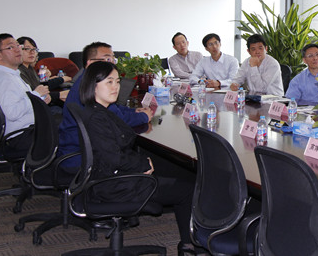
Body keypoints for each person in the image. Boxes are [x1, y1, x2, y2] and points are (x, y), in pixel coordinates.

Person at [78, 61, 194, 255]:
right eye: (109, 82)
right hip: (113, 185)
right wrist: (142, 164)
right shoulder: (97, 118)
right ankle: (188, 245)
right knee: (187, 189)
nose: (115, 87)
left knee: (179, 171)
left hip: (105, 176)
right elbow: (114, 158)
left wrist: (143, 162)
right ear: (93, 86)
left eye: (117, 81)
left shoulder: (96, 110)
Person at [58, 42, 152, 171]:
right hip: (83, 160)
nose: (112, 63)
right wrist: (143, 117)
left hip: (80, 151)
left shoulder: (88, 84)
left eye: (113, 59)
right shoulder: (93, 95)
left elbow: (114, 108)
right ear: (90, 63)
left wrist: (134, 110)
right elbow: (119, 120)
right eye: (107, 59)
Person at [0, 33, 43, 157]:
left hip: (29, 130)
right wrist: (36, 95)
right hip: (21, 136)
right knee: (71, 133)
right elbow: (13, 113)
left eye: (18, 46)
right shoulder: (4, 80)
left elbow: (22, 100)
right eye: (11, 47)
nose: (18, 50)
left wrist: (40, 99)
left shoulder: (13, 75)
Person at [17, 36, 72, 109]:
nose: (32, 52)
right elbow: (33, 95)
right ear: (18, 50)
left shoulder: (29, 68)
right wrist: (59, 94)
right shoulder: (18, 71)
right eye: (27, 49)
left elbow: (39, 87)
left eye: (34, 49)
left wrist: (47, 79)